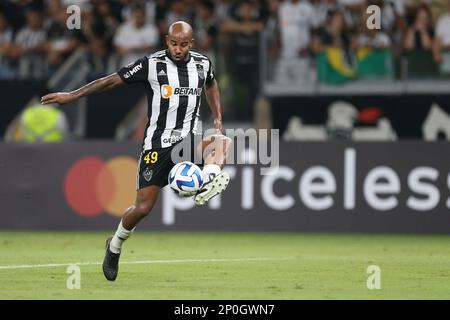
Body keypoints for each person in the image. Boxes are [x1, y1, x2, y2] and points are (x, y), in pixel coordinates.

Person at [41, 21, 231, 281]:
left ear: (191, 44)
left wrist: (218, 117)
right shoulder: (151, 64)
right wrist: (73, 95)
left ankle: (207, 180)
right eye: (174, 43)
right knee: (142, 208)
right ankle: (115, 245)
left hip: (188, 142)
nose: (178, 49)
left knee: (222, 141)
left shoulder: (202, 64)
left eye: (183, 44)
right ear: (167, 41)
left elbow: (211, 84)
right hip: (157, 146)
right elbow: (111, 81)